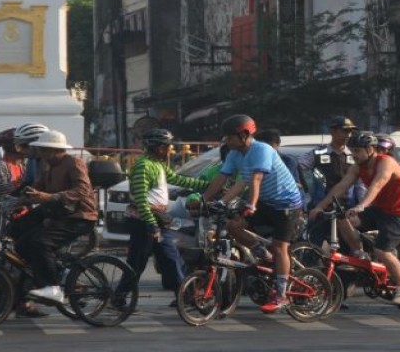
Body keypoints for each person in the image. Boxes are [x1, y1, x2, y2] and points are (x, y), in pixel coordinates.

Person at [203, 114, 304, 313]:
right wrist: (205, 201)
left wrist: (251, 205)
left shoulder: (262, 150)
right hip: (265, 202)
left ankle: (281, 295)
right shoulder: (234, 154)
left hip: (286, 205)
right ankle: (263, 254)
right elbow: (224, 179)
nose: (226, 141)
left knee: (279, 248)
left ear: (244, 135)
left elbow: (256, 179)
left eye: (230, 137)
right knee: (233, 226)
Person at [307, 130, 400, 305]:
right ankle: (359, 253)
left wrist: (361, 205)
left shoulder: (386, 162)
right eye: (352, 150)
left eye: (357, 151)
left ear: (370, 149)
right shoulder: (358, 167)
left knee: (382, 251)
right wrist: (319, 207)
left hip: (399, 214)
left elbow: (377, 184)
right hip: (379, 210)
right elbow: (341, 186)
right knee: (342, 218)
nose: (353, 155)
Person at [126, 128, 208, 305]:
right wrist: (150, 224)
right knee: (137, 264)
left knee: (171, 258)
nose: (169, 150)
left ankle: (184, 296)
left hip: (158, 219)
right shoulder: (144, 166)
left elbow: (180, 180)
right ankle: (117, 299)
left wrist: (207, 186)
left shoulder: (159, 165)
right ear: (156, 147)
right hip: (144, 221)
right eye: (166, 147)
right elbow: (141, 200)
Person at [16, 129, 98, 306]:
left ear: (55, 150)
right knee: (19, 235)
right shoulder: (47, 166)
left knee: (40, 242)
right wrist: (14, 202)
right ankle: (47, 270)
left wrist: (51, 197)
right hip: (58, 211)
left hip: (79, 216)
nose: (42, 154)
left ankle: (52, 287)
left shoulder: (74, 163)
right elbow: (37, 189)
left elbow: (82, 191)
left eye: (45, 150)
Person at [0, 126, 46, 318]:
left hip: (20, 221)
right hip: (0, 224)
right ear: (17, 148)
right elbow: (1, 194)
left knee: (20, 266)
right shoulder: (1, 167)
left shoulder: (23, 167)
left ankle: (21, 303)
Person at [258, 128, 305, 198]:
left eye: (270, 145)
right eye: (263, 146)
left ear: (278, 144)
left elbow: (294, 185)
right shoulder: (254, 162)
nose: (266, 149)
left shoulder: (288, 161)